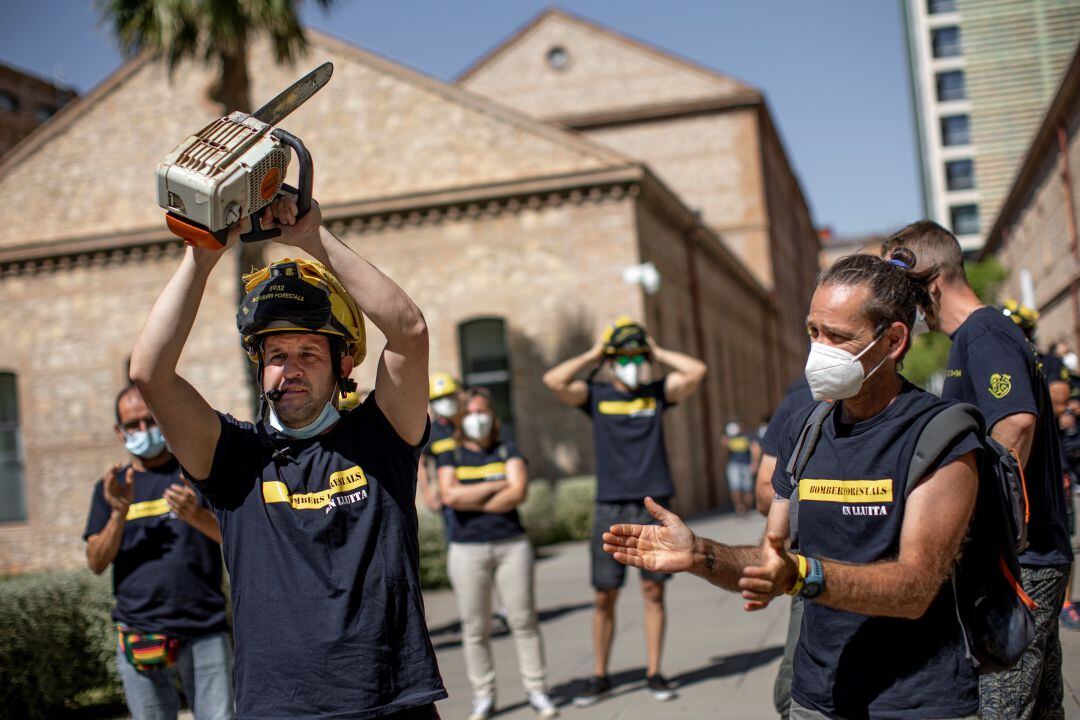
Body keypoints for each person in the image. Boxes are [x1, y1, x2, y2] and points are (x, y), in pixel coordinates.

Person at [604, 249, 985, 720]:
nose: (818, 349)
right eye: (813, 331)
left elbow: (914, 588)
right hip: (816, 697)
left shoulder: (942, 434)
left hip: (916, 703)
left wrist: (804, 576)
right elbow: (773, 559)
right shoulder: (806, 428)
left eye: (838, 337)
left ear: (893, 342)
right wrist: (700, 554)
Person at [129, 196, 446, 719]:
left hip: (393, 702)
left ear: (343, 364)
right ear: (260, 368)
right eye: (277, 355)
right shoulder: (233, 458)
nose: (290, 369)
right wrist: (204, 254)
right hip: (280, 709)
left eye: (308, 354)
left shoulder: (380, 438)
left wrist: (312, 238)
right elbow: (150, 374)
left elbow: (409, 332)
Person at [885, 221, 1074, 719]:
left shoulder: (983, 332)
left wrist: (973, 518)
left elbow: (1014, 422)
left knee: (1000, 708)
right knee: (1040, 707)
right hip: (1033, 555)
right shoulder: (976, 336)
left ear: (932, 283)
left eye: (907, 294)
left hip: (1020, 561)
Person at [542, 317, 706, 706]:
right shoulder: (597, 395)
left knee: (653, 592)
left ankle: (655, 672)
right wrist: (595, 354)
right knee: (605, 595)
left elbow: (696, 371)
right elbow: (554, 381)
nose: (632, 364)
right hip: (610, 505)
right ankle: (600, 675)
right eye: (624, 357)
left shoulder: (656, 392)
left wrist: (655, 350)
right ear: (612, 361)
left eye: (638, 357)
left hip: (654, 503)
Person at [84, 384, 232, 720]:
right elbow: (96, 562)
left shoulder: (197, 472)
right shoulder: (112, 488)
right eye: (132, 425)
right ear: (120, 433)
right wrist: (119, 512)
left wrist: (195, 515)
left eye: (149, 421)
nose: (142, 431)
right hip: (141, 631)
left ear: (163, 420)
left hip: (203, 628)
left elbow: (236, 539)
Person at [437, 388, 557, 720]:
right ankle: (483, 696)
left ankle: (537, 690)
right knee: (475, 627)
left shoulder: (509, 449)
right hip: (466, 549)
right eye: (471, 412)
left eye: (484, 412)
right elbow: (449, 495)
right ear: (462, 418)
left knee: (523, 620)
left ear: (494, 417)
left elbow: (518, 490)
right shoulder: (452, 454)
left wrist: (471, 497)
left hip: (511, 545)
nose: (478, 418)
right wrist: (494, 485)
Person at [752, 374, 814, 720]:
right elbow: (765, 490)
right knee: (794, 690)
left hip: (892, 573)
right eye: (814, 333)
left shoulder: (916, 411)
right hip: (813, 569)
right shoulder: (800, 403)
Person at [419, 372, 461, 516]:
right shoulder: (430, 432)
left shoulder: (466, 425)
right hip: (448, 498)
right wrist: (428, 493)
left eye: (449, 396)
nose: (446, 402)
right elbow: (421, 464)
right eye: (440, 399)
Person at [721, 421, 753, 513]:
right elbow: (724, 454)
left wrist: (753, 463)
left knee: (747, 488)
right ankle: (739, 507)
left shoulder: (746, 438)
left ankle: (747, 507)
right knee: (735, 487)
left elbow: (753, 449)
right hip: (734, 464)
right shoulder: (727, 440)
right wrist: (724, 445)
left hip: (746, 464)